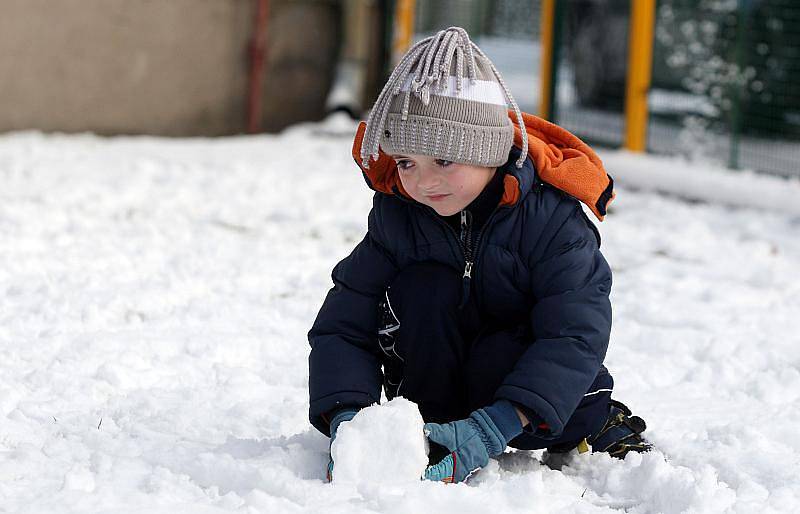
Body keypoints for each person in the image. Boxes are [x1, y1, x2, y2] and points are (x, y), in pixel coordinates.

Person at [308, 26, 650, 484]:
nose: (423, 182)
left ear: (488, 151)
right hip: (436, 389)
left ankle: (600, 420)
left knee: (565, 394)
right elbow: (344, 322)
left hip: (527, 395)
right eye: (406, 163)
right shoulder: (399, 216)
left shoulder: (551, 221)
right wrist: (345, 418)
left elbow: (574, 334)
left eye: (444, 161)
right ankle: (443, 425)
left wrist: (497, 426)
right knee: (420, 287)